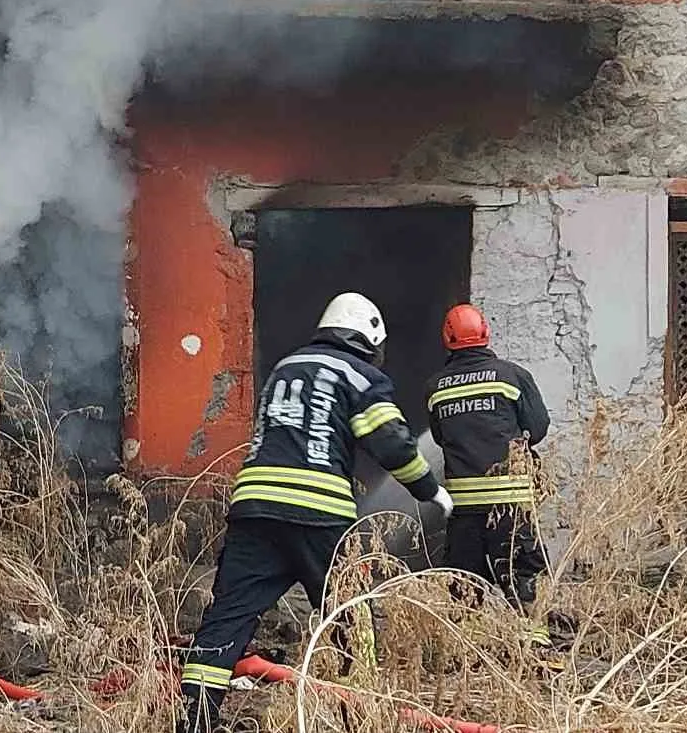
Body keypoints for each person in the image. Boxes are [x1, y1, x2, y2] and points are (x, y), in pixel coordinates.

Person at [178, 293, 453, 733]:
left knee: (226, 620)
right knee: (349, 617)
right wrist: (429, 490)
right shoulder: (359, 375)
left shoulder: (284, 369)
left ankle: (195, 721)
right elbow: (392, 442)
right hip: (318, 512)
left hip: (254, 509)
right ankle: (360, 715)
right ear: (369, 340)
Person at [426, 303, 551, 641]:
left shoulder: (436, 388)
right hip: (511, 504)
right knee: (525, 578)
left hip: (464, 509)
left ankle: (471, 652)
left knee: (465, 585)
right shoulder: (513, 376)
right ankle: (534, 647)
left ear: (447, 339)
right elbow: (538, 428)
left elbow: (439, 437)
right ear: (485, 333)